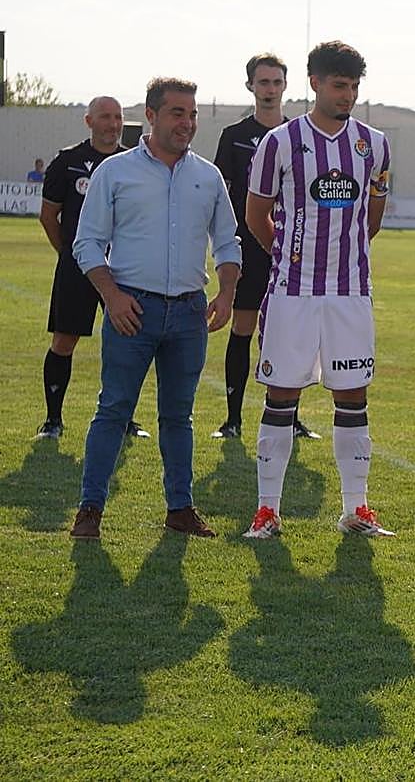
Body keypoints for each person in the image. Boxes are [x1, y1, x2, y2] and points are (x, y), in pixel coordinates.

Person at [68, 77, 241, 540]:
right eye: (177, 113)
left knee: (178, 416)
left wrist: (226, 293)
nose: (187, 123)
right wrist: (112, 295)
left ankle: (180, 509)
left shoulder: (208, 175)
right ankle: (90, 511)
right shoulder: (115, 172)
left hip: (189, 314)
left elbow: (227, 240)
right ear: (151, 114)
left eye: (192, 114)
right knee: (113, 410)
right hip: (132, 309)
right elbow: (86, 244)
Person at [242, 40, 393, 539]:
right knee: (282, 394)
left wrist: (344, 253)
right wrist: (293, 254)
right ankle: (267, 510)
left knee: (353, 394)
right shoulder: (280, 143)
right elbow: (256, 216)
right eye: (338, 85)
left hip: (350, 293)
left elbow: (372, 216)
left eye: (353, 87)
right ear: (314, 83)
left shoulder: (375, 143)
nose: (346, 95)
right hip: (293, 293)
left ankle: (356, 509)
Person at [210, 53, 317, 442]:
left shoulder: (302, 136)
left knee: (292, 334)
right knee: (242, 329)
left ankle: (292, 417)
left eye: (276, 82)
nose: (269, 89)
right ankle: (233, 419)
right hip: (249, 247)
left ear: (287, 86)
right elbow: (221, 194)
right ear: (250, 87)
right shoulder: (234, 136)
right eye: (263, 82)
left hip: (292, 250)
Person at [36, 97, 148, 442]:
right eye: (105, 117)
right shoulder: (68, 162)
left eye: (118, 117)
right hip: (79, 269)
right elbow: (49, 215)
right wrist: (70, 256)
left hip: (125, 270)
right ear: (89, 121)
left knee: (128, 343)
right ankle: (53, 420)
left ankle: (125, 419)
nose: (113, 124)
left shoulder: (136, 162)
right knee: (64, 340)